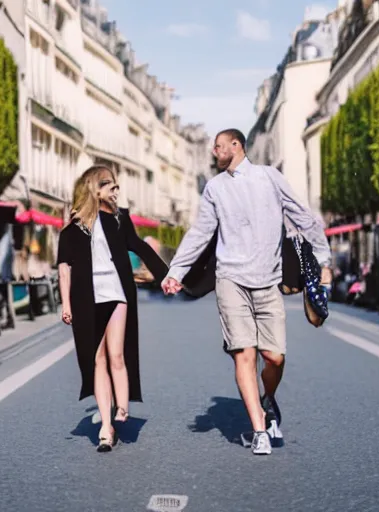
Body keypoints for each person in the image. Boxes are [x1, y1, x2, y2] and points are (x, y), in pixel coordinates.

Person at [162, 129, 332, 456]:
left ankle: (268, 400)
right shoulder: (214, 188)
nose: (214, 153)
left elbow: (303, 216)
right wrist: (176, 271)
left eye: (218, 147)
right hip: (230, 280)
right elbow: (200, 233)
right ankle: (259, 430)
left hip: (268, 280)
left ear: (236, 145)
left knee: (275, 357)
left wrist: (323, 258)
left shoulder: (270, 178)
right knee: (244, 353)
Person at [58, 165, 168, 452]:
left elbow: (140, 248)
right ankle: (106, 428)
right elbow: (64, 269)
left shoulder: (121, 220)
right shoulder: (73, 228)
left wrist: (166, 276)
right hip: (86, 298)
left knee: (116, 354)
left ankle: (122, 406)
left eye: (117, 187)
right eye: (112, 186)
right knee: (97, 361)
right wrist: (66, 303)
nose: (117, 191)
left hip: (117, 293)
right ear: (96, 189)